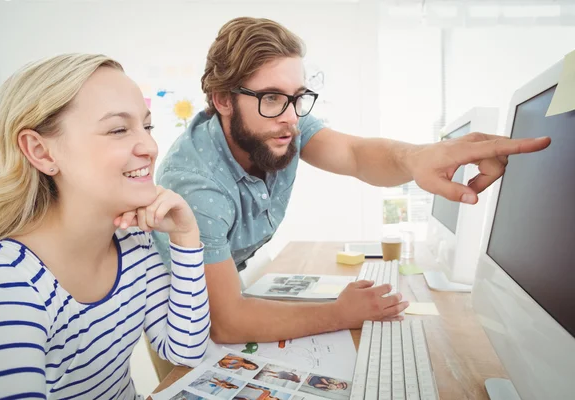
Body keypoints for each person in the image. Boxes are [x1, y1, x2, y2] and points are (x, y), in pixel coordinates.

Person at [153, 16, 550, 347]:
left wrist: (416, 158)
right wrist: (340, 314)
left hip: (226, 281)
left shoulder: (281, 120)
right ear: (222, 99)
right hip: (173, 315)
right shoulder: (194, 186)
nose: (291, 117)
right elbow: (228, 322)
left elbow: (357, 156)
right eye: (272, 98)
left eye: (298, 97)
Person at [0, 54, 209, 399]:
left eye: (147, 126)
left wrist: (185, 237)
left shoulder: (134, 243)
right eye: (118, 129)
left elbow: (185, 352)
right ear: (41, 152)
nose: (150, 146)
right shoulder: (1, 283)